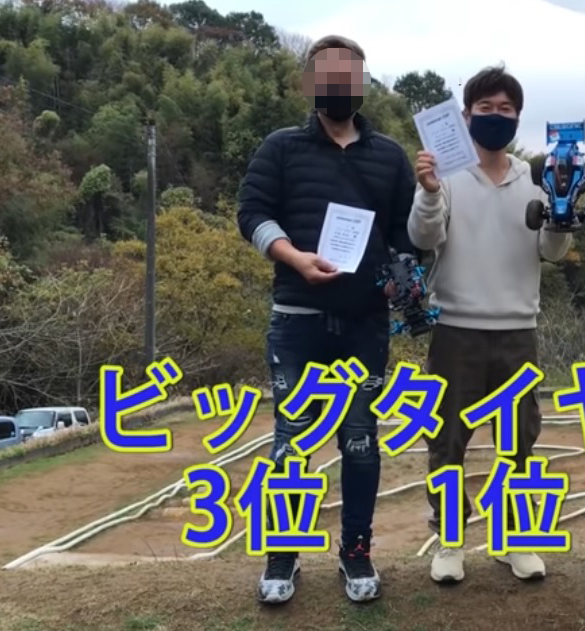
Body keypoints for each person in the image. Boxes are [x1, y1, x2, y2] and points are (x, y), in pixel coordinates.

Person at [236, 35, 415, 605]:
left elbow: (405, 232)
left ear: (362, 82)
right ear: (308, 83)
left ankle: (356, 551)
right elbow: (252, 212)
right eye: (327, 74)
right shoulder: (281, 147)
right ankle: (282, 558)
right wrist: (292, 257)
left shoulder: (390, 156)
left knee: (360, 440)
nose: (338, 84)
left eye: (348, 74)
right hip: (297, 319)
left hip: (365, 322)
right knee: (291, 442)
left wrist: (400, 274)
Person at [408, 65, 572, 584]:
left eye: (505, 109)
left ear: (518, 117)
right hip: (455, 328)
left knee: (518, 441)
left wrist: (562, 211)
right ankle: (450, 540)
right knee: (447, 439)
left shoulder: (535, 177)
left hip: (518, 329)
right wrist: (428, 191)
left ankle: (516, 539)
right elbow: (423, 237)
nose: (495, 116)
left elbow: (552, 251)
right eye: (485, 108)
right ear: (466, 116)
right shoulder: (447, 175)